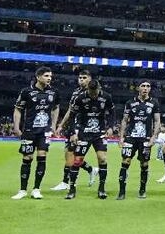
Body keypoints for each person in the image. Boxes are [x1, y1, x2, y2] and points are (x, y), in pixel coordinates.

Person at [12, 66, 59, 200]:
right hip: (29, 130)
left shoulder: (54, 92)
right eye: (46, 76)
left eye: (50, 76)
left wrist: (54, 125)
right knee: (27, 158)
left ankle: (36, 189)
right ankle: (22, 190)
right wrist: (16, 127)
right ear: (38, 77)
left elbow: (56, 108)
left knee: (42, 156)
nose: (49, 78)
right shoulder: (27, 91)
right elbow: (18, 109)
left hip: (45, 131)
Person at [64, 76, 114, 200]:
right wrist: (73, 133)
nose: (93, 95)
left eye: (95, 93)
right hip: (84, 133)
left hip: (99, 133)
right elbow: (72, 116)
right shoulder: (80, 98)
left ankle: (101, 189)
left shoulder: (106, 97)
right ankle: (72, 189)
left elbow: (112, 113)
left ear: (99, 89)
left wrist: (111, 127)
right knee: (77, 161)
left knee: (102, 159)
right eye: (91, 93)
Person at [51, 70, 96, 191]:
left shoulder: (93, 93)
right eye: (80, 77)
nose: (81, 79)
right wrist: (61, 125)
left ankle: (68, 182)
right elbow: (70, 110)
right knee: (70, 154)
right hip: (72, 125)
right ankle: (90, 170)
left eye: (84, 77)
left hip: (84, 127)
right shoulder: (76, 92)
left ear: (90, 79)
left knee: (71, 154)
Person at [116, 80, 161, 200]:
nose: (146, 88)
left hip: (145, 139)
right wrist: (121, 137)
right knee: (125, 162)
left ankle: (142, 190)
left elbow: (157, 121)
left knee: (144, 164)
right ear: (138, 88)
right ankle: (121, 192)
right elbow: (125, 120)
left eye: (148, 86)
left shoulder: (154, 103)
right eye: (143, 86)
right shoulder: (130, 103)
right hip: (130, 138)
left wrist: (153, 137)